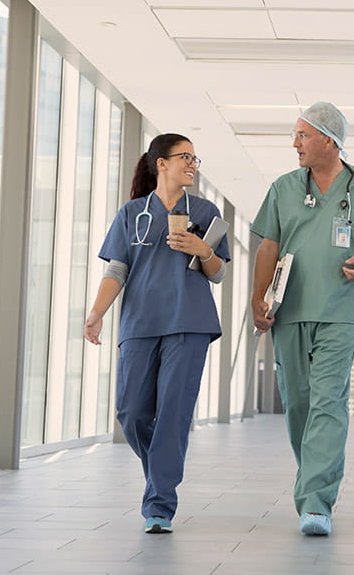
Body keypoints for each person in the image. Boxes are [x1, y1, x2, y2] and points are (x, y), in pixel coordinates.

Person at [250, 101, 354, 537]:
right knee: (298, 404)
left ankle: (316, 502)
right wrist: (258, 300)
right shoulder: (283, 187)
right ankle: (313, 479)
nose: (294, 143)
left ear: (329, 140)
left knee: (328, 402)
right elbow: (267, 247)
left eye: (302, 135)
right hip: (289, 309)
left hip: (339, 311)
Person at [83, 133, 229, 534]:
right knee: (130, 413)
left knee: (172, 415)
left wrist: (202, 250)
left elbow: (219, 273)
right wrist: (96, 313)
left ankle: (159, 504)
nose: (192, 164)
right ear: (160, 163)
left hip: (190, 322)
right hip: (141, 323)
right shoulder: (133, 213)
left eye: (195, 158)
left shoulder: (205, 210)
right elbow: (117, 270)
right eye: (185, 157)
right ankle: (160, 473)